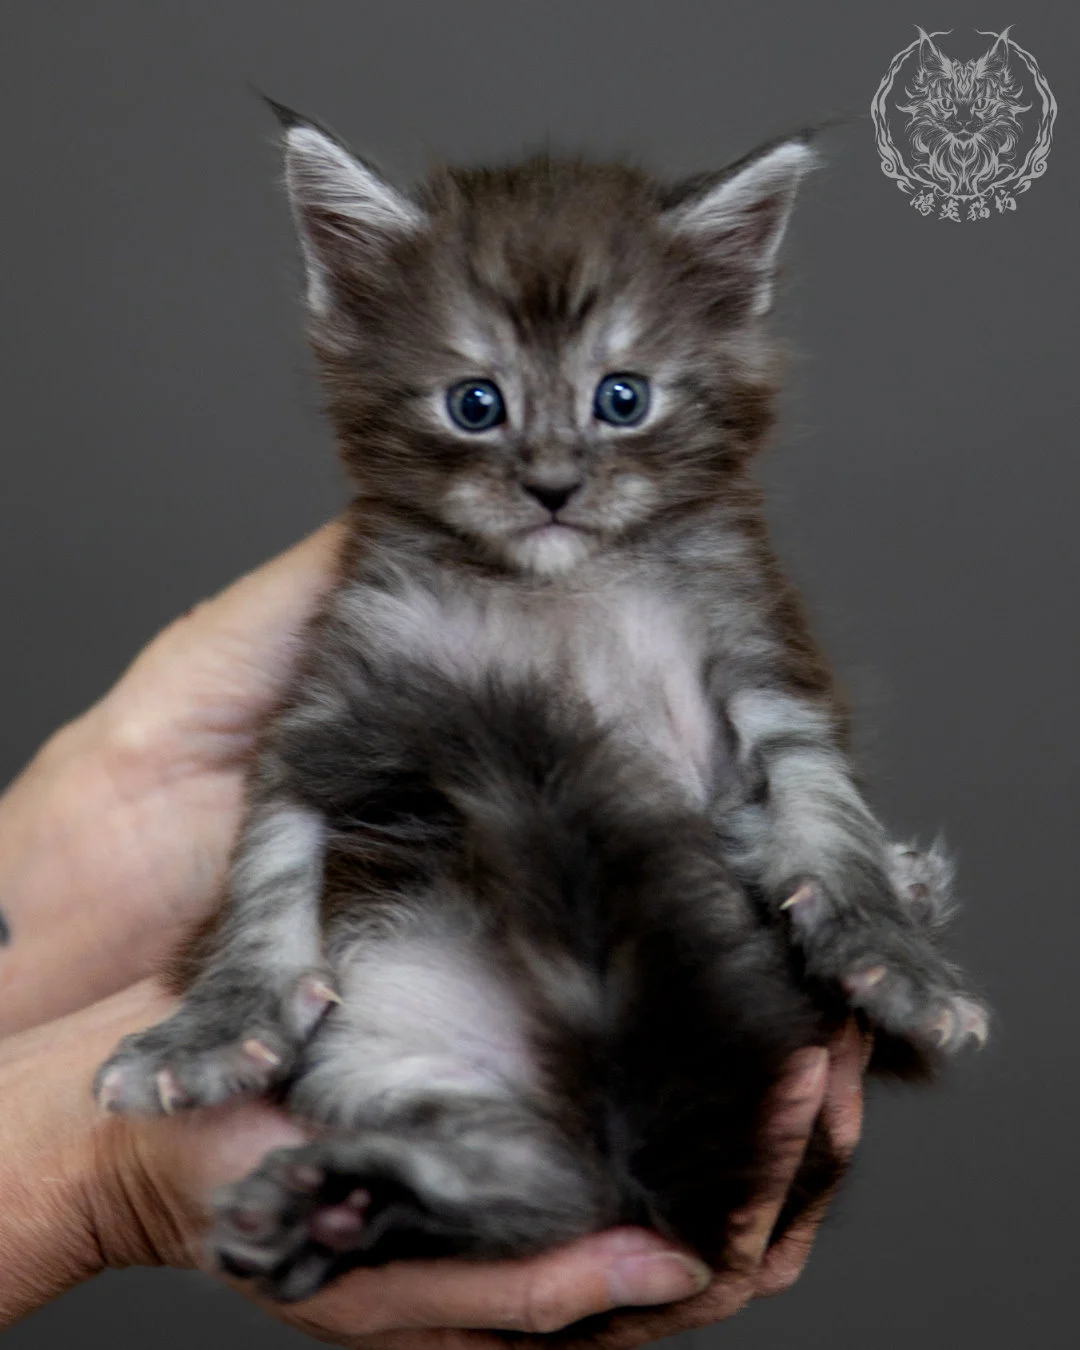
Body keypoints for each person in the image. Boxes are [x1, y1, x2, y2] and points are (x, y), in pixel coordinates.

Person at [0, 523, 868, 1347]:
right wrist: (100, 1178)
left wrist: (118, 793)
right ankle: (491, 1175)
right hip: (459, 984)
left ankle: (488, 1173)